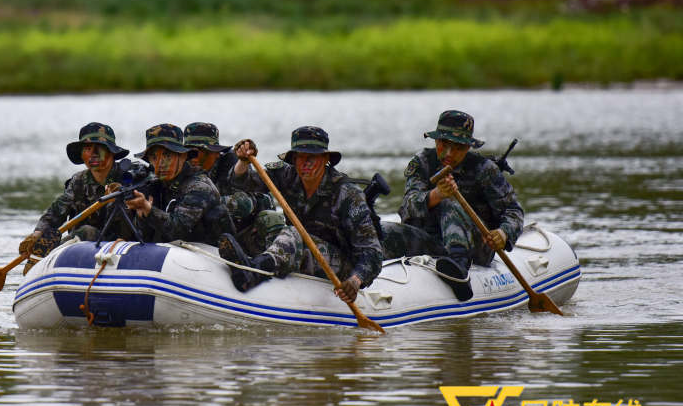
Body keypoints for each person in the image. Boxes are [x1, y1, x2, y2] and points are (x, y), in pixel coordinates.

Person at [223, 126, 384, 305]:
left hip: (339, 263)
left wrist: (355, 280)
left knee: (293, 234)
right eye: (300, 157)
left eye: (311, 157)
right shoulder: (286, 175)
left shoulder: (347, 194)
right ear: (293, 159)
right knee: (268, 221)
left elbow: (372, 252)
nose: (305, 164)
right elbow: (242, 183)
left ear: (325, 159)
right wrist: (243, 162)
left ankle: (254, 272)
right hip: (302, 249)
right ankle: (254, 260)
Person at [396, 110, 524, 300]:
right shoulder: (422, 162)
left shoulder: (484, 169)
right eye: (444, 145)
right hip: (430, 240)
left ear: (467, 148)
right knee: (384, 230)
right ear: (436, 141)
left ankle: (459, 271)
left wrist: (503, 234)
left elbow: (513, 211)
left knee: (450, 203)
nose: (449, 153)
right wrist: (436, 195)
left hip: (475, 246)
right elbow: (407, 208)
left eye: (457, 148)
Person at [19, 122, 133, 258]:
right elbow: (56, 211)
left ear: (111, 152)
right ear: (82, 154)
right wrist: (37, 233)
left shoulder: (130, 176)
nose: (93, 154)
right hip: (84, 247)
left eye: (100, 148)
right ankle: (44, 255)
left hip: (122, 243)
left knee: (87, 231)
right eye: (88, 149)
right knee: (83, 231)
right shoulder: (78, 181)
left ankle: (50, 252)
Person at [124, 123, 233, 246]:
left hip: (210, 255)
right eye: (154, 157)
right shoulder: (154, 185)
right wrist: (140, 214)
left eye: (167, 155)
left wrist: (148, 210)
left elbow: (178, 231)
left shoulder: (200, 187)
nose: (160, 163)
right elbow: (142, 237)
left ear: (183, 156)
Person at [183, 122, 281, 249]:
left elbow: (241, 190)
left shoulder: (231, 163)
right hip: (205, 232)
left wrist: (243, 162)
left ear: (216, 153)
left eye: (200, 151)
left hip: (242, 229)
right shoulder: (181, 167)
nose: (193, 158)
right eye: (190, 152)